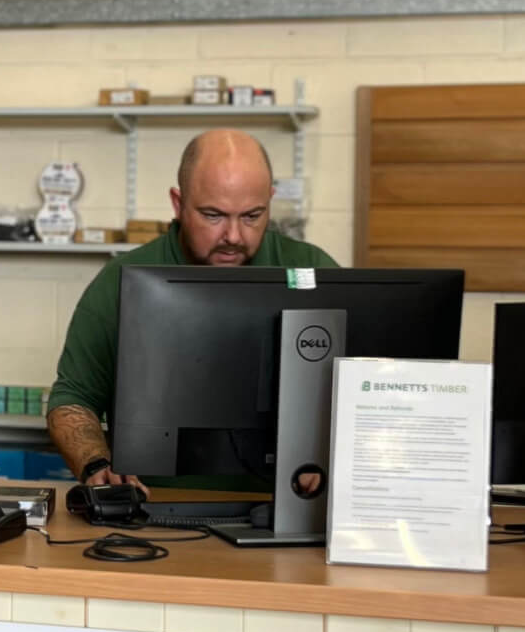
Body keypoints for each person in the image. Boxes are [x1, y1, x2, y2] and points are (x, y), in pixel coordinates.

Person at [45, 129, 337, 491]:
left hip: (283, 507)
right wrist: (97, 464)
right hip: (154, 507)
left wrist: (329, 455)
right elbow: (72, 399)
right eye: (213, 215)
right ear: (178, 203)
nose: (233, 236)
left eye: (252, 216)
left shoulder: (313, 271)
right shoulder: (121, 280)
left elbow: (364, 396)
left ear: (270, 201)